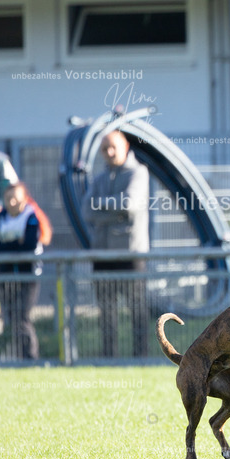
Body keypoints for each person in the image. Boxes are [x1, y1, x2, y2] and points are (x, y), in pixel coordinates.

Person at [82, 129, 151, 358]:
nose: (109, 152)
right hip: (102, 256)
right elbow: (86, 211)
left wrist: (100, 205)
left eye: (113, 147)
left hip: (130, 256)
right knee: (107, 312)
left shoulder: (138, 173)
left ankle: (141, 357)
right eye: (104, 148)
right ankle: (108, 358)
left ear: (126, 148)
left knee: (137, 310)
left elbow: (130, 204)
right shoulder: (99, 178)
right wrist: (116, 211)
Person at [0, 183, 43, 360]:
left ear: (24, 199)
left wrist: (9, 244)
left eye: (16, 198)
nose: (11, 202)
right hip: (6, 275)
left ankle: (30, 357)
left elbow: (29, 244)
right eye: (8, 198)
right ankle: (18, 357)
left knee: (22, 316)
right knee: (11, 317)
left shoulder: (31, 216)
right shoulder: (0, 218)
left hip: (28, 276)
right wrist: (16, 242)